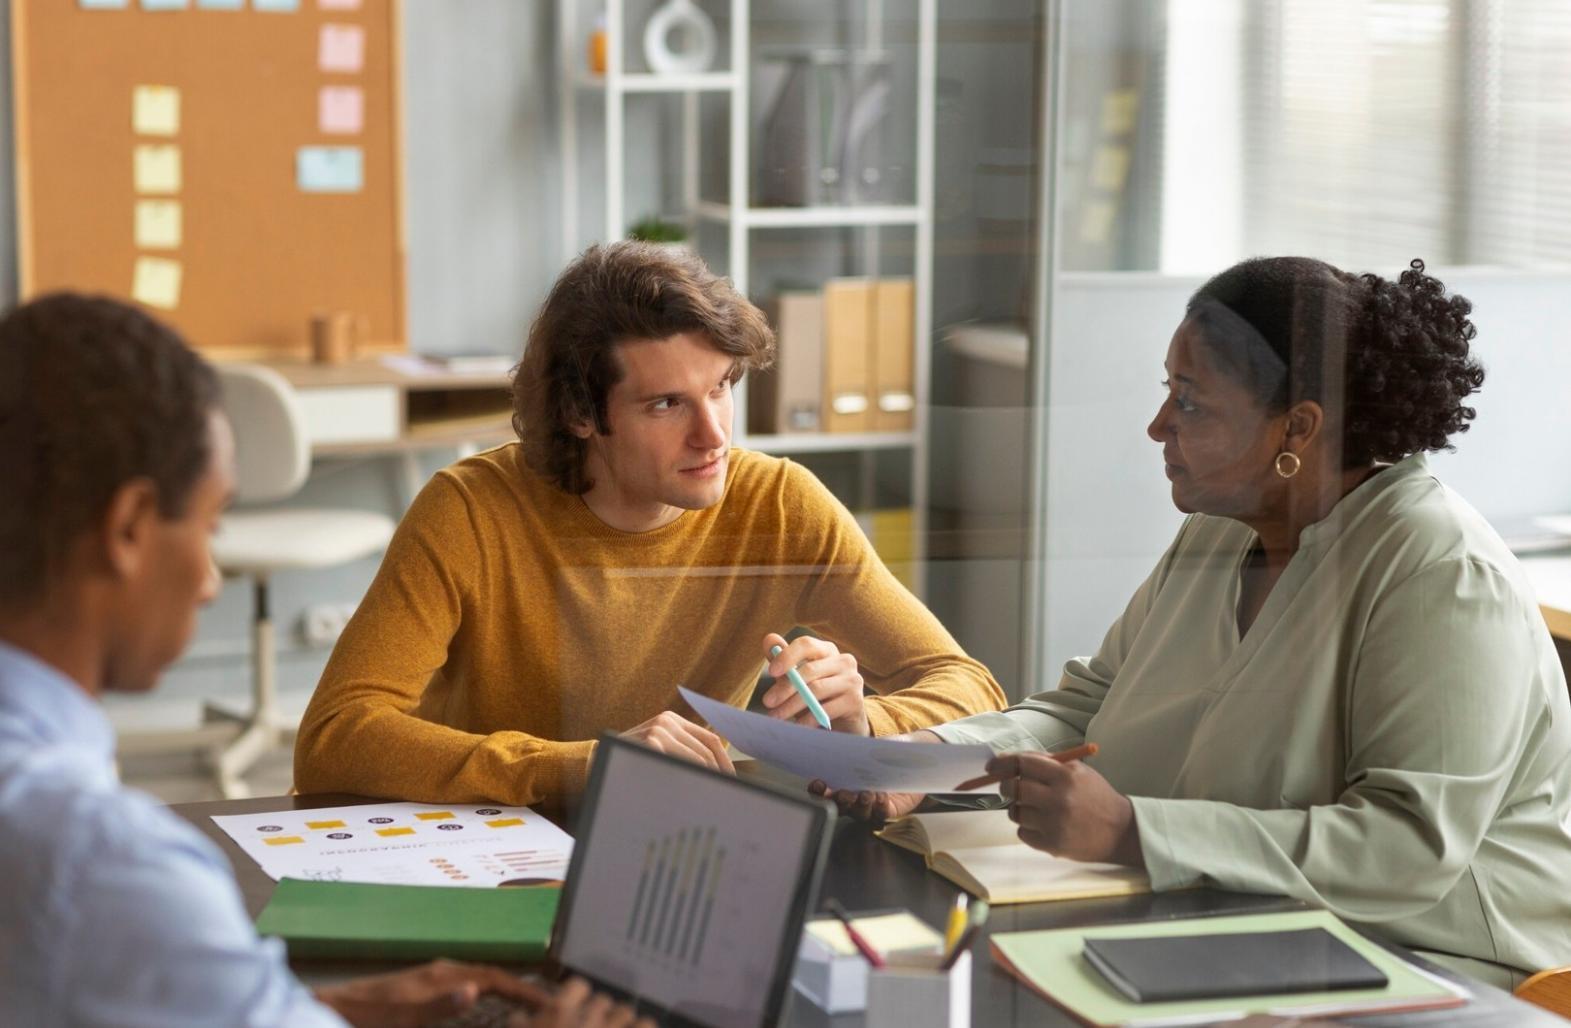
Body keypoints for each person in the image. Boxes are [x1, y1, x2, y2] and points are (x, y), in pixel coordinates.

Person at [819, 258, 1571, 989]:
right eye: (1167, 393)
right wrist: (921, 761)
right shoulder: (1221, 530)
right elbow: (1091, 707)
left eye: (1190, 403)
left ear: (1296, 429)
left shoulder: (1441, 573)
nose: (1157, 427)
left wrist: (1130, 831)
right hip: (1244, 927)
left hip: (1440, 969)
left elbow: (1406, 850)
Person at [0, 293, 647, 1027]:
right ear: (128, 529)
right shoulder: (108, 864)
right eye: (211, 524)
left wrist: (326, 1008)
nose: (210, 581)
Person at [294, 242, 1004, 809]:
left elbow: (970, 687)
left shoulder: (780, 505)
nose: (712, 435)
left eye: (720, 388)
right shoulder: (471, 511)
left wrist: (865, 727)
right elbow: (334, 739)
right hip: (497, 841)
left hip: (678, 837)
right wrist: (585, 766)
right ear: (579, 414)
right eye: (666, 404)